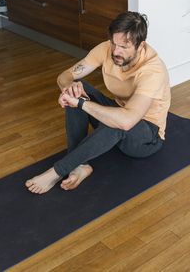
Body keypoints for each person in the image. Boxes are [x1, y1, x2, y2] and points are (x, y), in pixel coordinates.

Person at [25, 11, 171, 194]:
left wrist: (80, 104)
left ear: (140, 45)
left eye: (124, 47)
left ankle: (56, 171)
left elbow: (126, 121)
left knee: (117, 122)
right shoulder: (107, 49)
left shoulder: (153, 71)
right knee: (78, 88)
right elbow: (65, 76)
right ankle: (80, 165)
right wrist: (70, 88)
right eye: (113, 43)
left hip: (147, 136)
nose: (116, 51)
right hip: (120, 113)